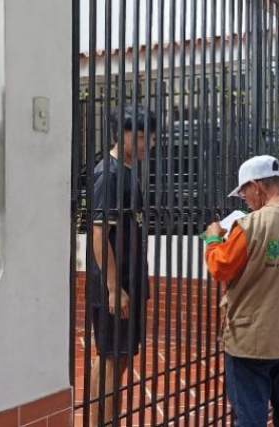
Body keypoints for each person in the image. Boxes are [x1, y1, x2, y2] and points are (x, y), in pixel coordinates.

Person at [203, 155, 279, 427]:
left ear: (257, 186)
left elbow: (220, 267)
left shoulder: (249, 226)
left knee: (251, 417)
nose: (244, 199)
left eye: (244, 191)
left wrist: (212, 238)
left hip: (251, 341)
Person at [87, 103, 155, 426]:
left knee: (123, 355)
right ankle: (96, 421)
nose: (148, 144)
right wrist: (115, 289)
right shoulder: (108, 175)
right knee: (111, 357)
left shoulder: (127, 172)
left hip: (130, 283)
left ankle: (110, 418)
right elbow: (99, 235)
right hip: (115, 287)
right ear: (122, 135)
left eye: (150, 138)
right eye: (141, 137)